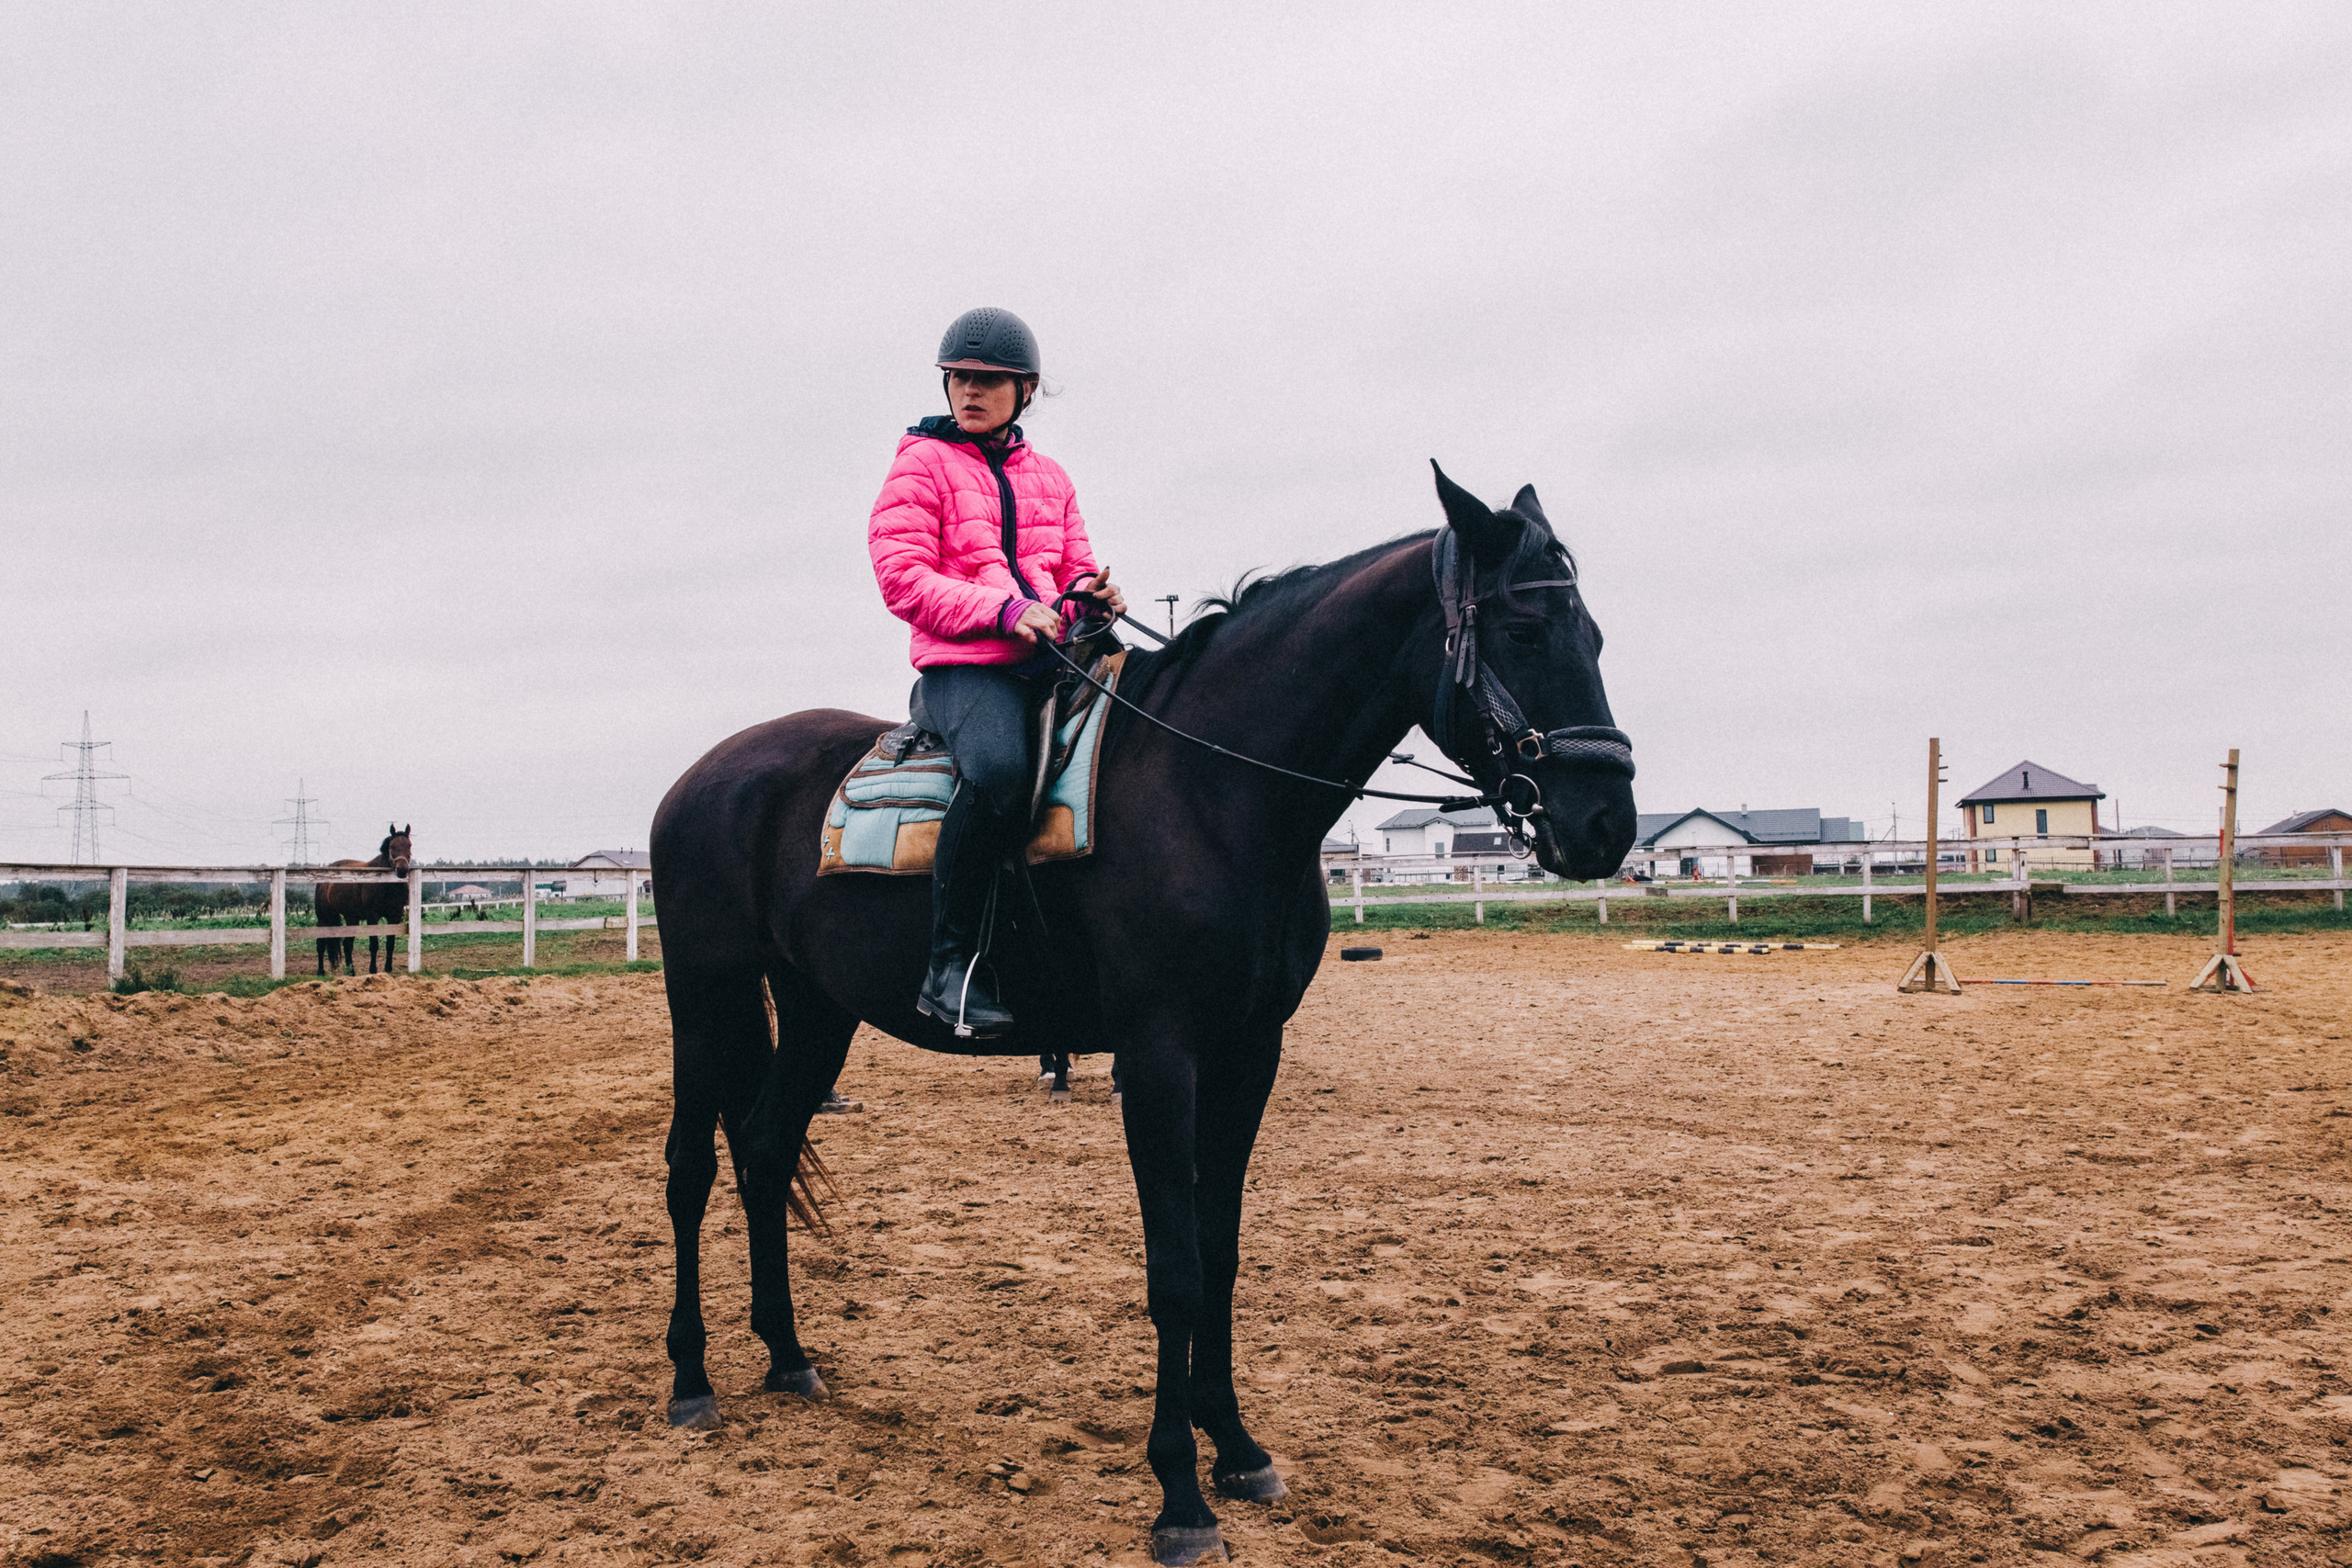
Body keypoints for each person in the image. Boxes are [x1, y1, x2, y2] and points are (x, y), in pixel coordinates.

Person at [868, 307, 1125, 1037]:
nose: (971, 391)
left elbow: (1071, 573)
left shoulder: (1050, 476)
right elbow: (902, 577)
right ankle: (949, 968)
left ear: (1026, 390)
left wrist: (1091, 601)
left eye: (989, 380)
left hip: (1051, 660)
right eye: (960, 378)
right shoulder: (921, 463)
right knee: (1000, 772)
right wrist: (1006, 612)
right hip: (965, 669)